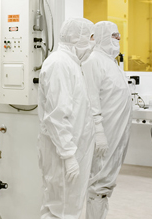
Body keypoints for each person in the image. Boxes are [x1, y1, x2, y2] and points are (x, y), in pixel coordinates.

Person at [38, 18, 96, 219]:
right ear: (76, 38)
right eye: (89, 38)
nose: (92, 44)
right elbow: (56, 116)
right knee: (60, 210)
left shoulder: (72, 64)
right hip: (63, 155)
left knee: (66, 208)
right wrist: (69, 155)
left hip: (71, 150)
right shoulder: (59, 64)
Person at [82, 21, 133, 219]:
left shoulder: (111, 63)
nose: (117, 40)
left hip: (117, 133)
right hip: (105, 134)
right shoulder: (93, 61)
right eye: (113, 36)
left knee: (106, 183)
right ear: (101, 36)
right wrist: (99, 131)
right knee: (98, 183)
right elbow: (91, 99)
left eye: (119, 37)